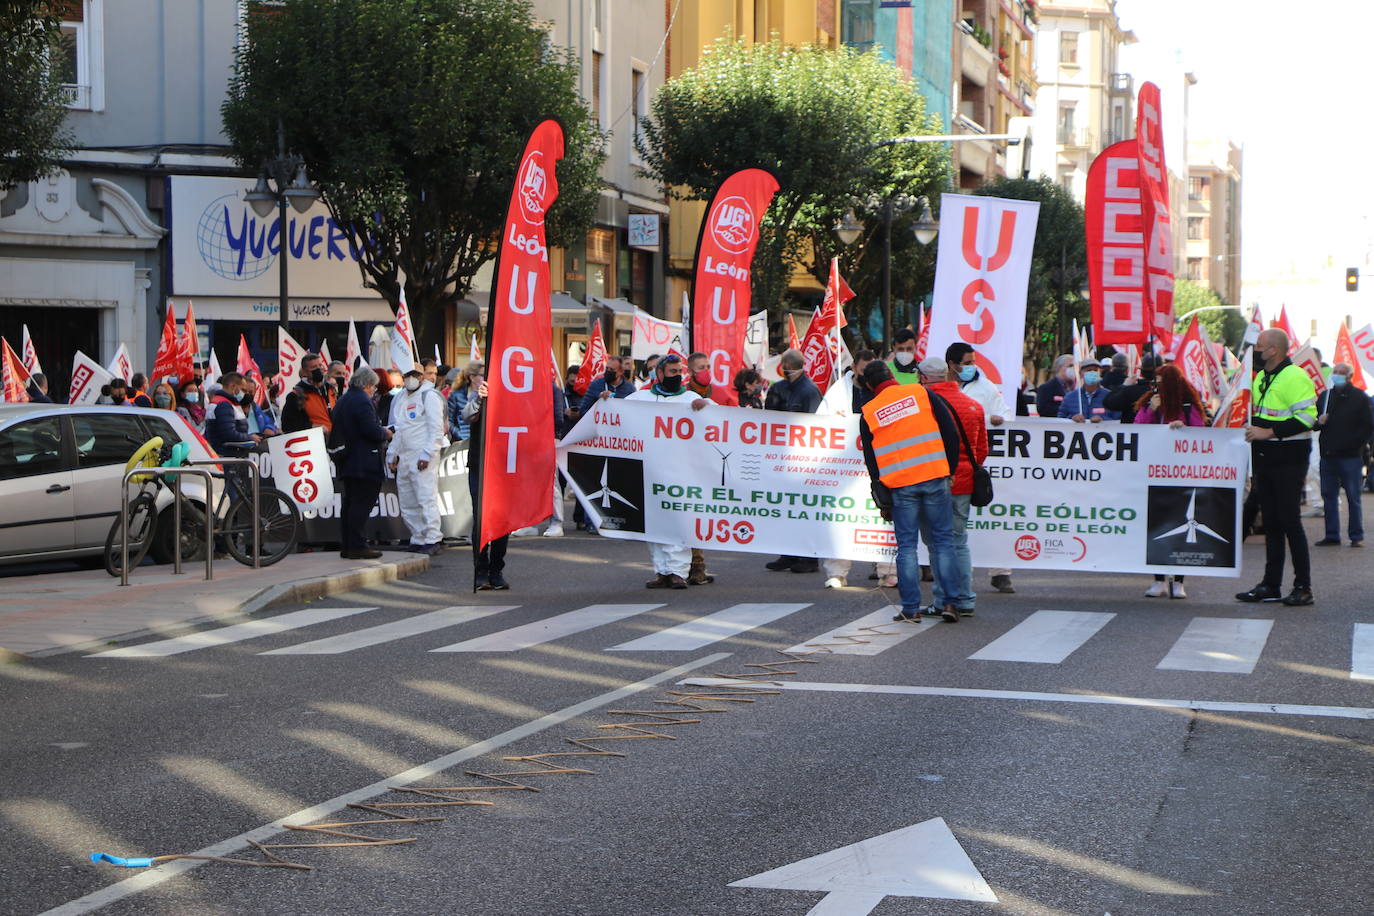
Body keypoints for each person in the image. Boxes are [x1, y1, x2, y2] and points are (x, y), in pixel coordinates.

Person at [859, 359, 963, 624]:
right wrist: (949, 470)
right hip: (934, 477)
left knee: (906, 547)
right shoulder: (921, 392)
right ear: (891, 375)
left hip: (901, 485)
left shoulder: (869, 411)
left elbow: (872, 461)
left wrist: (880, 496)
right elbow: (950, 431)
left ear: (870, 385)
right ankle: (950, 603)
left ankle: (911, 608)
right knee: (942, 541)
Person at [1237, 329, 1318, 606]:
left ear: (1273, 350)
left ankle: (1303, 587)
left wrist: (1269, 432)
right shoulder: (1262, 377)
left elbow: (1308, 418)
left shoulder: (1295, 376)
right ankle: (1270, 585)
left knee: (1289, 521)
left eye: (1259, 346)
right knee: (1271, 523)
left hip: (1289, 458)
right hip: (1265, 458)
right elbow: (1260, 416)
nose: (1255, 351)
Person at [626, 355, 709, 588]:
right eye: (672, 372)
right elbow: (617, 409)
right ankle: (661, 571)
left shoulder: (691, 398)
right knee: (653, 522)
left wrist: (704, 407)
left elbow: (716, 417)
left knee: (677, 520)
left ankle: (678, 571)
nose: (677, 376)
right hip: (650, 470)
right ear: (659, 374)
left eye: (679, 371)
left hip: (679, 470)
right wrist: (605, 398)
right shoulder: (642, 397)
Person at [946, 342, 1014, 594]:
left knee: (981, 526)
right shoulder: (941, 388)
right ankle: (956, 584)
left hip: (978, 467)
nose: (972, 367)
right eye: (967, 362)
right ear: (952, 366)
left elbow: (1005, 414)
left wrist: (1000, 419)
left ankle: (999, 573)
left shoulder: (986, 387)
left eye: (974, 361)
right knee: (954, 532)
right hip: (954, 469)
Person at [1133, 365, 1207, 598]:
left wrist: (1183, 429)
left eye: (1160, 382)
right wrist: (1150, 412)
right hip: (1153, 473)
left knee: (1181, 527)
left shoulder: (1188, 406)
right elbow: (1138, 432)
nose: (1156, 387)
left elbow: (1201, 434)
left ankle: (1178, 581)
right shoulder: (1149, 403)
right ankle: (1158, 580)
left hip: (1182, 476)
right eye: (1154, 383)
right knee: (1157, 528)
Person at [921, 356, 986, 617]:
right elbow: (981, 450)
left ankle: (943, 600)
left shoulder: (923, 405)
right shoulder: (973, 405)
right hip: (964, 480)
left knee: (937, 543)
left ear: (923, 377)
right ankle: (965, 599)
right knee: (958, 541)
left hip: (932, 479)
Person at [764, 349, 823, 574]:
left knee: (804, 509)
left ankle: (808, 557)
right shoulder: (778, 388)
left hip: (802, 460)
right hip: (780, 457)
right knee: (786, 508)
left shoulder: (809, 391)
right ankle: (788, 553)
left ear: (787, 364)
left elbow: (816, 427)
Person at [387, 367, 449, 555]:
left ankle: (432, 537)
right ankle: (417, 536)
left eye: (414, 376)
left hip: (422, 454)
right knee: (407, 500)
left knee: (425, 497)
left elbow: (436, 429)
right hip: (405, 455)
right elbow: (400, 428)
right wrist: (392, 453)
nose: (410, 379)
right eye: (407, 376)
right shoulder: (402, 397)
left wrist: (427, 455)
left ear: (421, 378)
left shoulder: (429, 396)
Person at [333, 368, 392, 559]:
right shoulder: (361, 401)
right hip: (364, 461)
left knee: (350, 504)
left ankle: (349, 545)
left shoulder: (344, 399)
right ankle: (358, 545)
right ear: (367, 385)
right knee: (361, 505)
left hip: (349, 460)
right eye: (373, 387)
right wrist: (385, 433)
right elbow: (370, 430)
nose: (374, 390)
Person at [1314, 363, 1372, 548]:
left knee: (1353, 497)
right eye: (1335, 372)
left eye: (1341, 373)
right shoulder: (1326, 396)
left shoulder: (1359, 398)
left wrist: (1356, 445)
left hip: (1351, 457)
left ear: (1349, 376)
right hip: (1328, 455)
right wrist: (1318, 422)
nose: (1337, 375)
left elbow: (1367, 426)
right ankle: (1332, 535)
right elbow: (1314, 422)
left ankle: (1356, 535)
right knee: (1328, 496)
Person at [462, 380, 510, 589]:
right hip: (480, 467)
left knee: (502, 522)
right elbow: (467, 417)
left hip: (505, 468)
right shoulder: (479, 396)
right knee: (481, 519)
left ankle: (496, 570)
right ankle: (480, 570)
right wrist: (480, 399)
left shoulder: (513, 399)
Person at [282, 352, 337, 433]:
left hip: (335, 440)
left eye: (320, 365)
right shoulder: (295, 395)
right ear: (305, 372)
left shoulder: (331, 389)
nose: (319, 369)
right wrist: (312, 427)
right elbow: (287, 425)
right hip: (315, 441)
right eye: (314, 367)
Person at [204, 372, 255, 453]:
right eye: (243, 390)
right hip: (227, 454)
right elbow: (229, 434)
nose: (245, 394)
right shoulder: (224, 405)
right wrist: (250, 438)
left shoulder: (225, 402)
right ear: (233, 386)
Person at [1058, 357, 1119, 422]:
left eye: (1095, 370)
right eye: (1088, 370)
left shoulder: (1110, 397)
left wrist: (1103, 419)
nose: (1092, 373)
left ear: (1100, 373)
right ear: (1080, 373)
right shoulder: (1069, 397)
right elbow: (1060, 419)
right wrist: (1072, 419)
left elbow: (1118, 419)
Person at [1104, 355, 1160, 424]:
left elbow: (1108, 402)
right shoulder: (1168, 391)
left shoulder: (1130, 390)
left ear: (1142, 372)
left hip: (1132, 431)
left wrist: (1124, 386)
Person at [446, 362, 484, 441]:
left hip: (479, 441)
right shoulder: (456, 395)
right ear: (472, 377)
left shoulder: (485, 396)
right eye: (482, 375)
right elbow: (449, 421)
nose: (485, 378)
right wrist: (460, 435)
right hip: (460, 441)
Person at [1037, 355, 1076, 419]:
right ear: (1059, 367)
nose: (1073, 369)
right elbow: (1043, 410)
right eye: (1070, 366)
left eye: (1075, 366)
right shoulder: (1046, 388)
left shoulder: (1077, 388)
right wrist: (1067, 411)